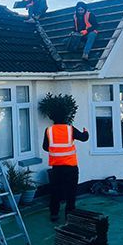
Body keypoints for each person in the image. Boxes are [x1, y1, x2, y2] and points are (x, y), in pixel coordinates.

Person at [40, 93, 89, 222]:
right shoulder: (70, 129)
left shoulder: (49, 130)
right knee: (71, 192)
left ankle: (54, 214)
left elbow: (45, 147)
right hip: (71, 167)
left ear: (53, 117)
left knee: (55, 191)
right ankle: (69, 215)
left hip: (56, 167)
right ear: (66, 116)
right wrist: (86, 132)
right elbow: (84, 138)